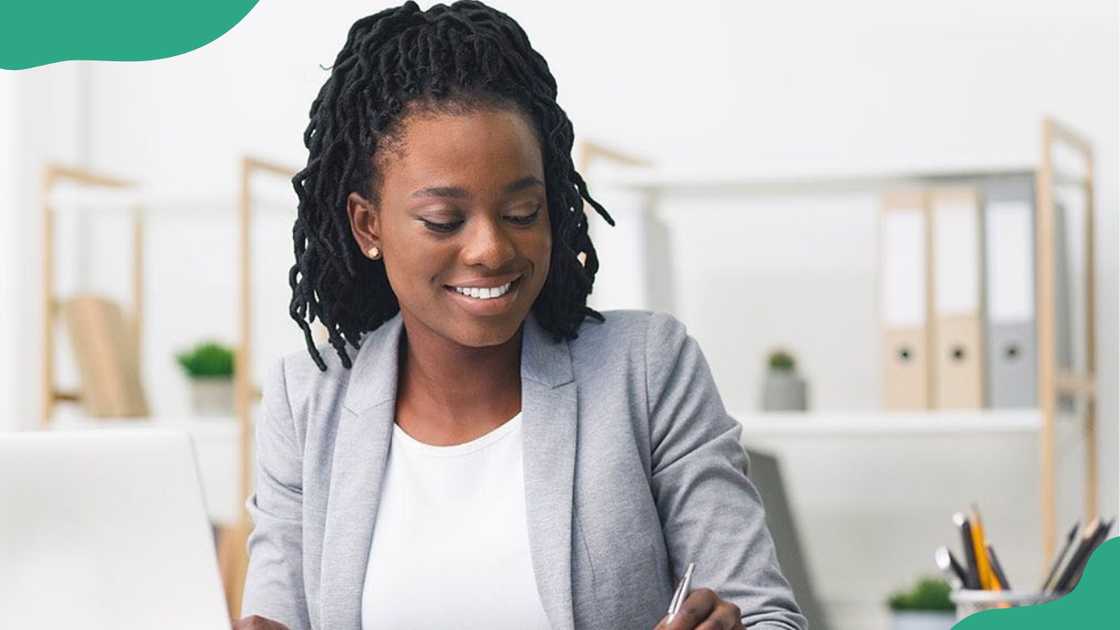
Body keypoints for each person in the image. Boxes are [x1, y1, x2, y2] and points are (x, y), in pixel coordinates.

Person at [234, 2, 808, 629]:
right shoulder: (308, 403)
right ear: (368, 225)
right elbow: (273, 615)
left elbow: (765, 614)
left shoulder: (646, 372)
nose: (490, 250)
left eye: (522, 213)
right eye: (443, 220)